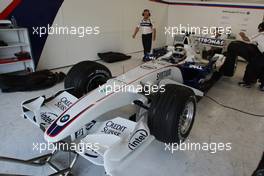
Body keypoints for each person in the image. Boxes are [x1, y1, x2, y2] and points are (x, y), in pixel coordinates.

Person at [220, 22, 264, 91]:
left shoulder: (261, 34)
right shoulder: (261, 35)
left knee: (252, 66)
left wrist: (243, 35)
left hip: (262, 55)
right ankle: (256, 82)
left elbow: (247, 39)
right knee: (259, 67)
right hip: (260, 54)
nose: (258, 30)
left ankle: (247, 83)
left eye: (259, 29)